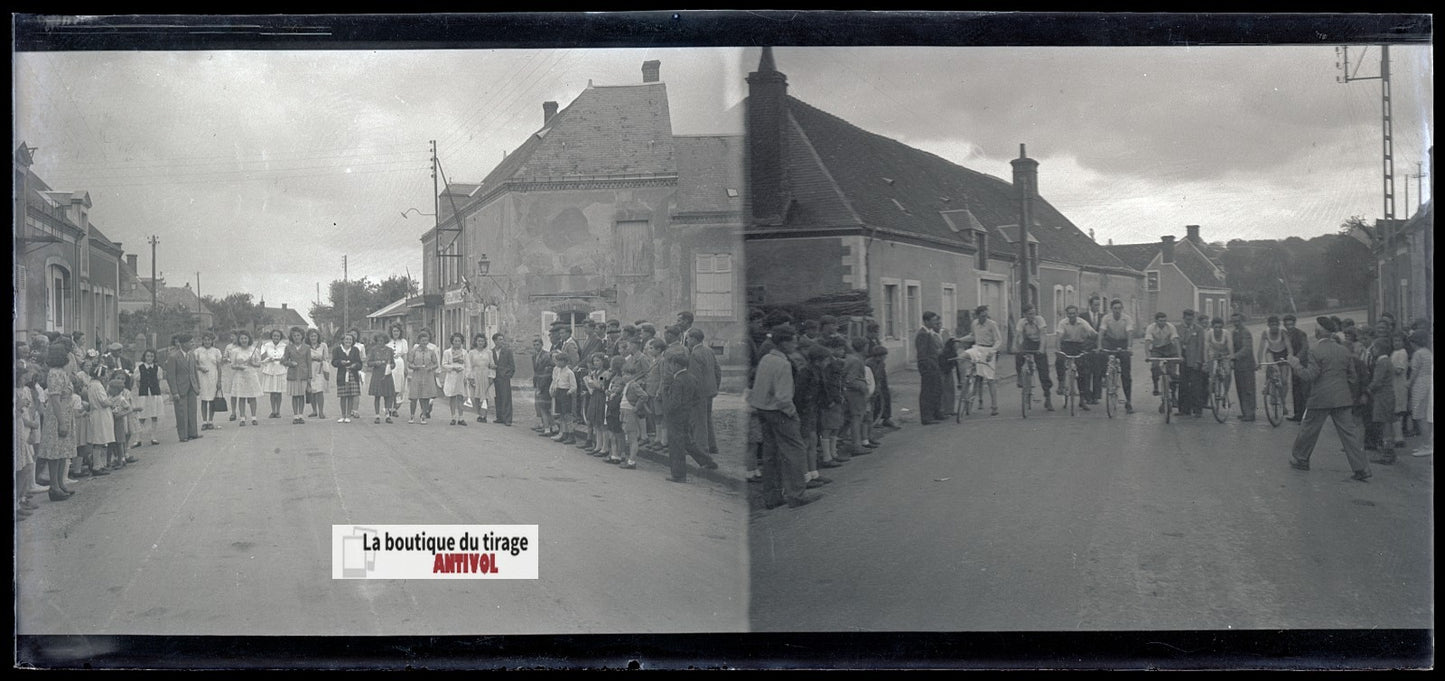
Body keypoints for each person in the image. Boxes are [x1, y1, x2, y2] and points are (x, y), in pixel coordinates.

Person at [1288, 317, 1370, 481]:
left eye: (1316, 328)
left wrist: (1295, 364)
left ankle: (1301, 458)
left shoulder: (1315, 350)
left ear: (1319, 332)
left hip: (1320, 398)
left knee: (1309, 429)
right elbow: (1352, 378)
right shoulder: (1344, 350)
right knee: (1349, 434)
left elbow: (1309, 375)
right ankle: (1361, 468)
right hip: (1342, 398)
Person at [749, 324, 817, 509]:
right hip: (780, 412)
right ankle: (797, 494)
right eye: (793, 340)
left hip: (763, 410)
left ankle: (772, 497)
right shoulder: (783, 364)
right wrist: (792, 413)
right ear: (784, 343)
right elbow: (783, 397)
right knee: (795, 451)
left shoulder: (766, 359)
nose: (795, 344)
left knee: (771, 454)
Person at [660, 351, 719, 483]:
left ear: (676, 365)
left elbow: (673, 403)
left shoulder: (677, 381)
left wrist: (667, 409)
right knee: (687, 441)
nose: (670, 367)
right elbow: (697, 398)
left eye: (671, 364)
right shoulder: (692, 378)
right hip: (686, 415)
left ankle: (679, 474)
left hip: (675, 417)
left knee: (676, 446)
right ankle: (707, 461)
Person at [38, 345, 78, 501]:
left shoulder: (62, 373)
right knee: (55, 452)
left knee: (63, 452)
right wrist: (61, 422)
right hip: (57, 416)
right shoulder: (54, 373)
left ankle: (61, 483)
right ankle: (53, 486)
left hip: (66, 413)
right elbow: (54, 399)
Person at [686, 326, 722, 454]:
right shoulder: (709, 351)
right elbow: (718, 371)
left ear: (694, 339)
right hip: (710, 391)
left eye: (688, 338)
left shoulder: (694, 354)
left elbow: (695, 377)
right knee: (707, 418)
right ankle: (712, 445)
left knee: (699, 421)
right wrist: (715, 387)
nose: (687, 341)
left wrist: (692, 394)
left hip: (700, 393)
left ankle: (702, 448)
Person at [961, 305, 1002, 416]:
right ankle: (965, 379)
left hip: (988, 349)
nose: (985, 317)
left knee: (990, 379)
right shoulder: (974, 323)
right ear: (977, 315)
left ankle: (994, 406)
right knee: (962, 357)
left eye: (986, 315)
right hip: (977, 348)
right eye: (982, 315)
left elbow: (998, 340)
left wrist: (992, 352)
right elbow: (972, 336)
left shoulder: (992, 324)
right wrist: (959, 339)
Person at [1055, 304, 1096, 411]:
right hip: (1066, 345)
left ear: (1077, 314)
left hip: (1079, 346)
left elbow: (1092, 333)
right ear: (1067, 314)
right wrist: (1058, 350)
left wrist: (1093, 342)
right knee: (1059, 360)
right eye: (1069, 313)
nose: (1072, 315)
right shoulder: (1063, 323)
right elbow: (1059, 337)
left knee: (1083, 371)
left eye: (1074, 313)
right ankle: (1061, 383)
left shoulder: (1082, 322)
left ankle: (1082, 399)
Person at [1368, 333, 1401, 465]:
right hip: (1387, 395)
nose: (1373, 351)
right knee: (1386, 422)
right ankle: (1388, 451)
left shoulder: (1382, 362)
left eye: (1374, 348)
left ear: (1379, 349)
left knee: (1385, 424)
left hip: (1383, 396)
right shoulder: (1387, 361)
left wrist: (1368, 389)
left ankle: (1387, 453)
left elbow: (1377, 381)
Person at [1096, 298, 1134, 414]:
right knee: (1102, 355)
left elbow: (1130, 334)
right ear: (1111, 309)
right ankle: (1105, 376)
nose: (1117, 310)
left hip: (1123, 342)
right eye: (1115, 308)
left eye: (1119, 308)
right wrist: (1099, 346)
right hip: (1110, 341)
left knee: (1126, 373)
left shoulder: (1126, 318)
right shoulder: (1106, 318)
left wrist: (1129, 347)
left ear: (1122, 309)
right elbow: (1101, 332)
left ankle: (1128, 401)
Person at [163, 333, 203, 442]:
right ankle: (183, 435)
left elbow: (194, 372)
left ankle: (193, 433)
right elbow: (170, 376)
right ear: (184, 344)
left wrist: (197, 386)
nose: (193, 343)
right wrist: (174, 391)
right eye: (191, 342)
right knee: (181, 412)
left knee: (192, 410)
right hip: (180, 388)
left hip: (192, 386)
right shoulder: (173, 357)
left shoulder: (192, 355)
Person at [1015, 303, 1055, 411]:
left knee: (1043, 372)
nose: (1032, 316)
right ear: (1025, 315)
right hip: (1028, 342)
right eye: (1029, 314)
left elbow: (1043, 335)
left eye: (1033, 313)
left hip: (1039, 343)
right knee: (1018, 356)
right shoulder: (1021, 322)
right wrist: (1020, 348)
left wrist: (1041, 349)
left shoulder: (1040, 320)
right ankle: (1020, 376)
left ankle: (1048, 398)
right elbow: (1019, 336)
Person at [1256, 315, 1295, 417]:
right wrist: (1259, 361)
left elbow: (1289, 346)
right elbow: (1261, 348)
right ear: (1268, 325)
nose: (1274, 327)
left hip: (1282, 353)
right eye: (1271, 325)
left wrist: (1290, 356)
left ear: (1279, 325)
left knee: (1284, 381)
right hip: (1271, 353)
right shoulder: (1265, 333)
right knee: (1272, 366)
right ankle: (1268, 384)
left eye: (1276, 325)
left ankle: (1283, 402)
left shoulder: (1283, 333)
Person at [81, 363, 116, 476]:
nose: (106, 376)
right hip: (101, 414)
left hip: (97, 413)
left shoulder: (91, 384)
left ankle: (99, 465)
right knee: (99, 441)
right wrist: (112, 402)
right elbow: (104, 402)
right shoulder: (98, 385)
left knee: (99, 440)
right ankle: (97, 466)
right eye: (105, 374)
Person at [1144, 312, 1181, 413]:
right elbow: (1147, 341)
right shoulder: (1151, 328)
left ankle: (1173, 396)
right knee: (1154, 366)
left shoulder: (1170, 327)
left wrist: (1179, 355)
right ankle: (1156, 385)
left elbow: (1176, 340)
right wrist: (1147, 355)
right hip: (1157, 349)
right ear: (1156, 321)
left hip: (1170, 349)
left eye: (1164, 320)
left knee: (1172, 373)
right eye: (1160, 321)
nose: (1163, 322)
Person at [915, 311, 946, 424]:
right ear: (926, 321)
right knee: (927, 391)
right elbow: (922, 353)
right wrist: (928, 365)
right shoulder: (922, 334)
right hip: (928, 366)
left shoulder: (928, 333)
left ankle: (935, 413)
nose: (935, 322)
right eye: (933, 321)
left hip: (933, 364)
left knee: (936, 389)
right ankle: (926, 417)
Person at [404, 329, 439, 425]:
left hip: (427, 375)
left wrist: (430, 368)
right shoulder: (414, 351)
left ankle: (423, 415)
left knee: (425, 397)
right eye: (423, 340)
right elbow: (409, 363)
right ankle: (412, 415)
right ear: (419, 340)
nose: (424, 342)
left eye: (426, 340)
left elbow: (436, 364)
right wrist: (415, 367)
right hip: (417, 375)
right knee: (414, 396)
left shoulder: (431, 351)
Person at [227, 331, 263, 426]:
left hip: (251, 374)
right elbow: (232, 365)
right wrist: (238, 366)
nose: (244, 340)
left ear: (249, 339)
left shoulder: (254, 350)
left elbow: (259, 364)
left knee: (252, 397)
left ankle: (254, 418)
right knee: (241, 397)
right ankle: (242, 418)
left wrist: (253, 363)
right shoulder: (235, 351)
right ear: (239, 340)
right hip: (240, 375)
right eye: (242, 338)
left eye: (245, 338)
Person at [1406, 329, 1432, 457]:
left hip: (1420, 384)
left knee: (1420, 415)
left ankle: (1427, 445)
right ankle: (1426, 443)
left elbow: (1415, 371)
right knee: (1427, 415)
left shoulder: (1417, 354)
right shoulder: (1428, 352)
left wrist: (1408, 384)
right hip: (1428, 383)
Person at [133, 348, 165, 446]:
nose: (149, 358)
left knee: (154, 415)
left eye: (151, 356)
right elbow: (138, 382)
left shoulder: (157, 368)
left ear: (154, 357)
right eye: (148, 356)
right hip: (144, 394)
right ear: (144, 357)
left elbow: (158, 381)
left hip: (154, 394)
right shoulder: (139, 368)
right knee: (142, 416)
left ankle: (153, 437)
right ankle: (138, 439)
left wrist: (154, 389)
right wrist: (144, 389)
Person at [1177, 309, 1205, 417]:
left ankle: (1198, 409)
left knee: (1196, 385)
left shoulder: (1199, 329)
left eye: (1191, 319)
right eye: (1187, 319)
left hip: (1194, 360)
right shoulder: (1179, 328)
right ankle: (1184, 409)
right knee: (1183, 384)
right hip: (1183, 359)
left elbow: (1200, 346)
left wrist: (1198, 361)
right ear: (1184, 318)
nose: (1189, 321)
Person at [1229, 312, 1257, 421]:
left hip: (1247, 365)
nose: (1236, 323)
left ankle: (1250, 413)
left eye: (1237, 321)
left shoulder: (1245, 332)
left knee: (1248, 389)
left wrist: (1234, 356)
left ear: (1242, 321)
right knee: (1240, 389)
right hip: (1238, 365)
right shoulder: (1233, 333)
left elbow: (1247, 349)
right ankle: (1245, 412)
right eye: (1234, 321)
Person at [194, 331, 225, 431]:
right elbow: (194, 365)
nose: (207, 341)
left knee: (212, 400)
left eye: (209, 340)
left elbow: (219, 367)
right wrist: (200, 368)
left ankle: (210, 421)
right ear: (202, 341)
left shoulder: (216, 351)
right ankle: (204, 422)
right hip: (202, 377)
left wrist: (219, 381)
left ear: (212, 341)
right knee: (204, 400)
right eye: (205, 340)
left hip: (213, 377)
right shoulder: (198, 351)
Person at [331, 332, 364, 424]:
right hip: (342, 375)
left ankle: (348, 415)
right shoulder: (337, 350)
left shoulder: (355, 350)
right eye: (346, 339)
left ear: (353, 341)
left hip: (352, 375)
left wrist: (354, 365)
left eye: (350, 339)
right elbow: (333, 362)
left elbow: (359, 364)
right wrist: (341, 362)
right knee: (343, 396)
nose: (348, 341)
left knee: (350, 396)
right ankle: (343, 415)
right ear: (343, 340)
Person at [1283, 314, 1312, 422]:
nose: (1289, 326)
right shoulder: (1285, 334)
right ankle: (1297, 414)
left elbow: (1305, 348)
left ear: (1294, 323)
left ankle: (1305, 417)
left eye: (1290, 324)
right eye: (1286, 324)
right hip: (1293, 365)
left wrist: (1297, 358)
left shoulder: (1300, 334)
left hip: (1302, 364)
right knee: (1295, 390)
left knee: (1304, 390)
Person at [366, 333, 396, 424]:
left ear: (385, 341)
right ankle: (377, 415)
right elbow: (369, 363)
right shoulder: (373, 350)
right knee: (377, 396)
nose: (380, 342)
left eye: (382, 341)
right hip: (377, 374)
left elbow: (393, 364)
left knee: (388, 396)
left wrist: (390, 365)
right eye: (378, 341)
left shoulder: (390, 350)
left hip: (387, 375)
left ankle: (387, 415)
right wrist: (375, 363)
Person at [258, 328, 288, 419]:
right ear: (271, 336)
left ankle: (278, 411)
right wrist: (268, 359)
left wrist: (283, 360)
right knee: (272, 392)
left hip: (280, 369)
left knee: (278, 392)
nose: (276, 337)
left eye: (278, 336)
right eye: (274, 335)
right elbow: (261, 358)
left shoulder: (284, 346)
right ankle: (273, 411)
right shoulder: (266, 345)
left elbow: (287, 358)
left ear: (280, 337)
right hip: (270, 369)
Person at [1204, 316, 1234, 408]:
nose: (1218, 329)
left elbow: (1230, 346)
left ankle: (1225, 394)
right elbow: (1206, 348)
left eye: (1220, 327)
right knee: (1211, 375)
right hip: (1213, 353)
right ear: (1212, 327)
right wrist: (1206, 362)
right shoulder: (1209, 333)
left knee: (1228, 373)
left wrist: (1231, 358)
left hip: (1225, 353)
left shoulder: (1226, 333)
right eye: (1216, 327)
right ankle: (1212, 388)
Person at [440, 332, 469, 426]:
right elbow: (444, 364)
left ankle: (461, 417)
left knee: (460, 396)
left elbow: (468, 366)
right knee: (452, 397)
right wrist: (452, 368)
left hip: (461, 376)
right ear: (452, 341)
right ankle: (453, 417)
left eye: (459, 341)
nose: (457, 342)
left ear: (462, 342)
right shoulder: (447, 352)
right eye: (455, 341)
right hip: (452, 376)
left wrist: (466, 376)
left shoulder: (464, 353)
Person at [550, 352, 579, 444]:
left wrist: (568, 392)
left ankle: (571, 435)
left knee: (567, 416)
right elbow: (556, 381)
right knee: (561, 416)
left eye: (560, 361)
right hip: (559, 392)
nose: (557, 363)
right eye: (557, 361)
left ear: (565, 362)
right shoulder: (558, 371)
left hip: (565, 394)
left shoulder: (569, 373)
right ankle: (563, 433)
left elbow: (574, 386)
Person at [531, 338, 557, 436]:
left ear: (542, 345)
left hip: (545, 383)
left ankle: (548, 428)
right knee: (540, 406)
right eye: (534, 345)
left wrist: (541, 386)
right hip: (538, 381)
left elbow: (546, 372)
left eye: (537, 344)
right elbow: (536, 371)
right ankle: (548, 425)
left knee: (544, 406)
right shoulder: (534, 356)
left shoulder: (546, 355)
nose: (536, 347)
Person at [305, 328, 330, 421]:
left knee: (320, 391)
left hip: (320, 370)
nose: (313, 338)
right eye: (311, 336)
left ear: (318, 337)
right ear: (308, 337)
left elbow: (326, 358)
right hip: (310, 370)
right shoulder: (306, 346)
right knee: (311, 391)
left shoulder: (323, 346)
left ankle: (321, 411)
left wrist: (320, 359)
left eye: (315, 336)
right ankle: (314, 410)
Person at [384, 324, 409, 419]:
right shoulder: (388, 342)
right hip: (390, 364)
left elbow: (405, 355)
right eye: (394, 331)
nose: (396, 333)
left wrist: (406, 367)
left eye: (397, 331)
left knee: (398, 386)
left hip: (399, 364)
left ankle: (395, 408)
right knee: (390, 385)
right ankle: (389, 408)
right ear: (391, 332)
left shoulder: (403, 342)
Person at [866, 344, 894, 429]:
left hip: (880, 382)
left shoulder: (882, 363)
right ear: (879, 356)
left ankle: (886, 418)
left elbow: (881, 375)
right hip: (871, 382)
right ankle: (874, 420)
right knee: (874, 402)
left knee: (886, 396)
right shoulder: (869, 363)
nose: (885, 357)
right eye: (884, 355)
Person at [491, 333, 515, 426]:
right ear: (495, 341)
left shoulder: (507, 351)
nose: (501, 341)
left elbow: (512, 366)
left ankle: (507, 419)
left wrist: (508, 375)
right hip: (495, 377)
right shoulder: (491, 352)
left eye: (502, 339)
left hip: (504, 378)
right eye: (499, 339)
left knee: (506, 398)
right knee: (498, 397)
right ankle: (499, 417)